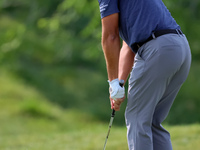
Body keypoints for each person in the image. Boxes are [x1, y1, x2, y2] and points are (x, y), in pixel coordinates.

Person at [97, 0, 191, 150]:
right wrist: (118, 84)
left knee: (137, 119)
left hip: (157, 49)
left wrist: (112, 82)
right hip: (180, 48)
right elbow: (129, 45)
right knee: (152, 122)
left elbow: (110, 36)